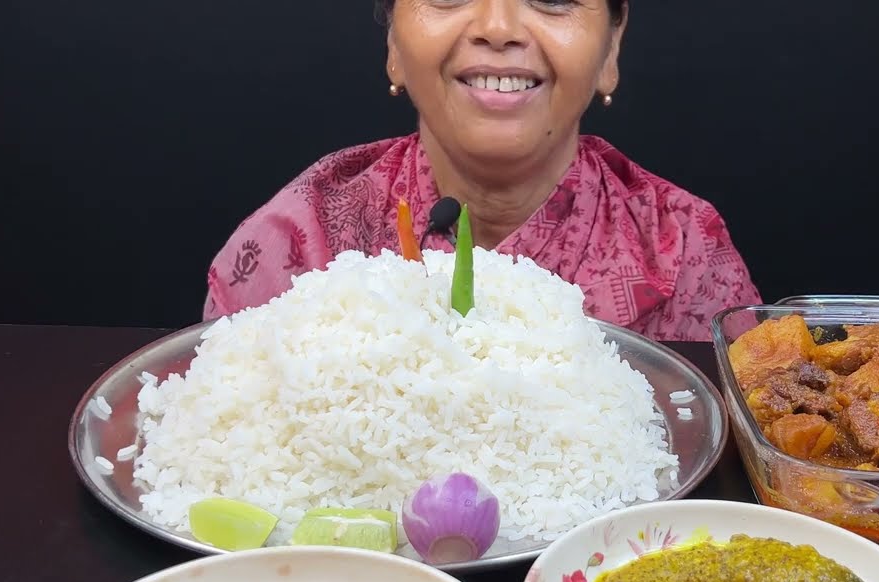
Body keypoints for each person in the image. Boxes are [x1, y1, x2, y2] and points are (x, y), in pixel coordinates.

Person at [204, 0, 760, 341]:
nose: (498, 27)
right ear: (393, 41)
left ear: (612, 44)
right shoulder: (301, 241)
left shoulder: (684, 250)